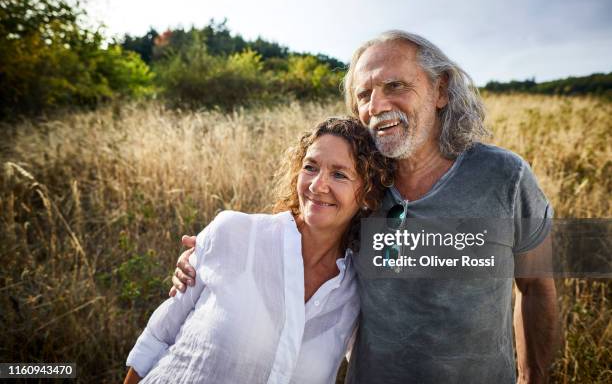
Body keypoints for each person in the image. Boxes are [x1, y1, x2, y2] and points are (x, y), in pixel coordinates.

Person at [172, 31, 558, 383]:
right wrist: (208, 259)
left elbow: (536, 286)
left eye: (395, 86)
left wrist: (532, 378)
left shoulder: (504, 177)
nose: (376, 106)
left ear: (440, 90)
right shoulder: (360, 183)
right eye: (363, 94)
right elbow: (294, 237)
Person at [124, 117, 393, 384]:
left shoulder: (355, 290)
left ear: (368, 194)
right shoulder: (234, 233)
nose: (317, 185)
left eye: (339, 174)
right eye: (310, 167)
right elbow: (157, 338)